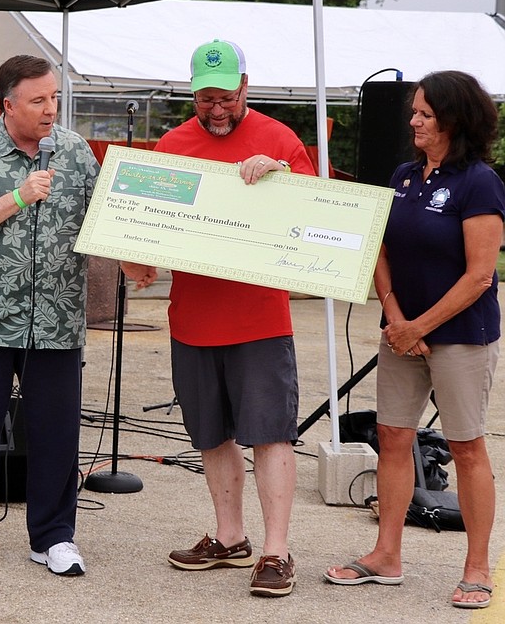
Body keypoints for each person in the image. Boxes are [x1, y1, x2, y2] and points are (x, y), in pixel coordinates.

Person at [121, 39, 315, 598]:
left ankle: (277, 552)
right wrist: (134, 256)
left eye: (227, 97)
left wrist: (282, 176)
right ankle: (230, 539)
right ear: (193, 94)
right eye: (206, 99)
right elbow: (145, 238)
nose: (217, 109)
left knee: (271, 435)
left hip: (260, 319)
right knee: (210, 435)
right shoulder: (173, 145)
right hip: (193, 320)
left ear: (245, 88)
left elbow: (313, 220)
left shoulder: (280, 140)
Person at [325, 70, 505, 610]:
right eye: (414, 112)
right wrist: (396, 319)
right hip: (401, 332)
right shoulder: (404, 175)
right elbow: (379, 248)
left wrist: (419, 327)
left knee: (466, 447)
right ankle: (387, 555)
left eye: (424, 113)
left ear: (453, 119)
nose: (413, 121)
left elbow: (480, 276)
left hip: (458, 339)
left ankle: (477, 567)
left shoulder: (479, 182)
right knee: (394, 438)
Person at [0, 55, 99, 576]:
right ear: (6, 104)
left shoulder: (75, 152)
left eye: (54, 97)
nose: (51, 109)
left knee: (56, 433)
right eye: (38, 101)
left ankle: (54, 537)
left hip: (56, 322)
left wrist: (137, 257)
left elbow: (105, 218)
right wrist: (18, 195)